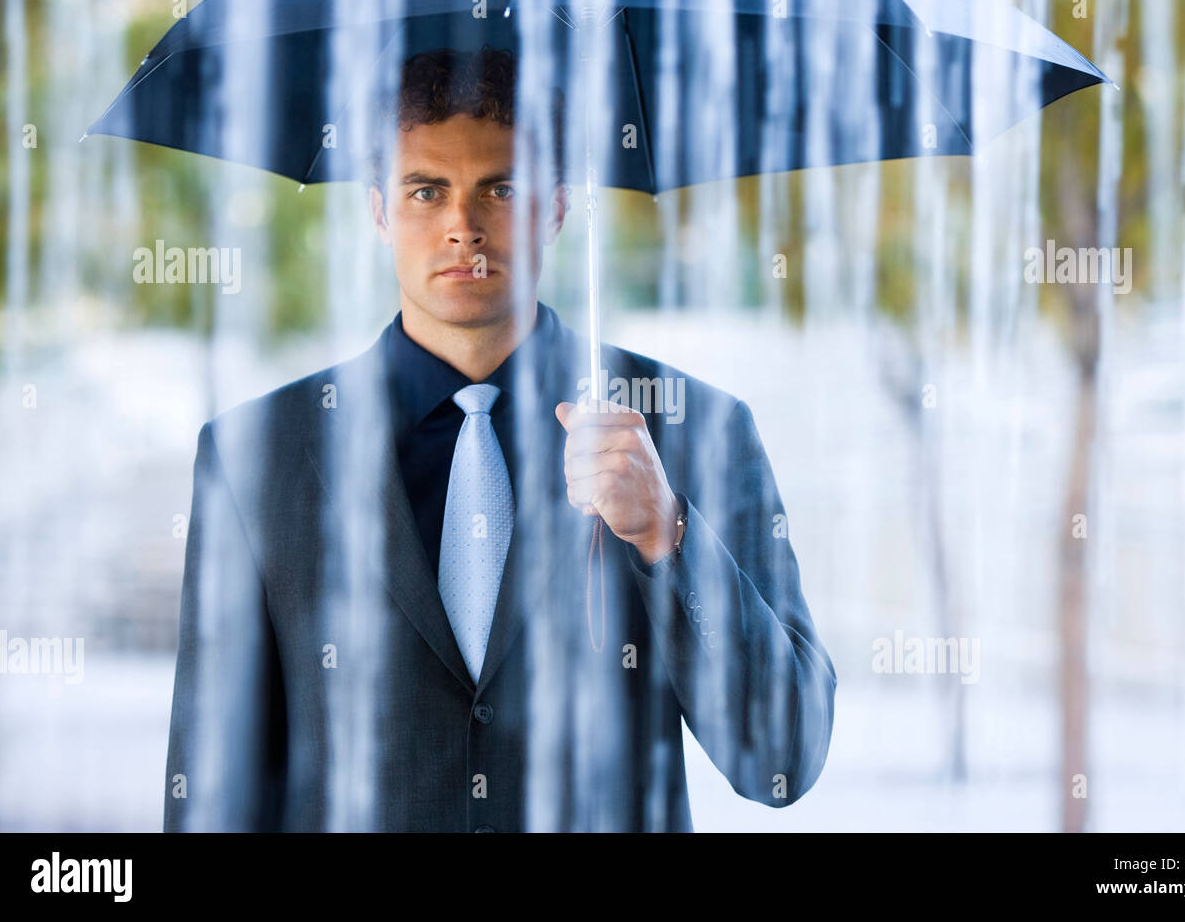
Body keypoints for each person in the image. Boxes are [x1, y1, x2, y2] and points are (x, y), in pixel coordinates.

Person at [163, 45, 836, 832]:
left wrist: (667, 535)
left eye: (501, 190)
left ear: (555, 208)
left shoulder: (696, 428)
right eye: (426, 191)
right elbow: (215, 795)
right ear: (380, 210)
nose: (462, 227)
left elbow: (784, 759)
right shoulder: (256, 454)